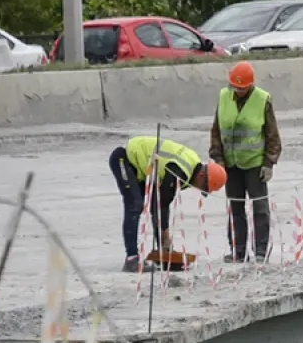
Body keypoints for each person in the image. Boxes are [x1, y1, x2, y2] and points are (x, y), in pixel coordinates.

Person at [109, 135, 227, 272]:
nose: (199, 189)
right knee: (135, 205)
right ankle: (131, 259)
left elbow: (158, 203)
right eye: (203, 187)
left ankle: (161, 252)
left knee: (142, 205)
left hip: (140, 168)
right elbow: (160, 205)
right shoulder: (180, 172)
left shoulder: (192, 167)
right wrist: (165, 239)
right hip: (124, 158)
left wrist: (164, 249)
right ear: (202, 177)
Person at [209, 60, 282, 263]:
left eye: (242, 88)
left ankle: (260, 251)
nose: (238, 91)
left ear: (250, 85)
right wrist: (218, 159)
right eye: (235, 87)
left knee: (260, 209)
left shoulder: (262, 100)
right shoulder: (224, 97)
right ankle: (238, 251)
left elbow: (272, 135)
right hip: (230, 165)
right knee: (236, 208)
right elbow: (216, 130)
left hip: (254, 164)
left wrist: (269, 163)